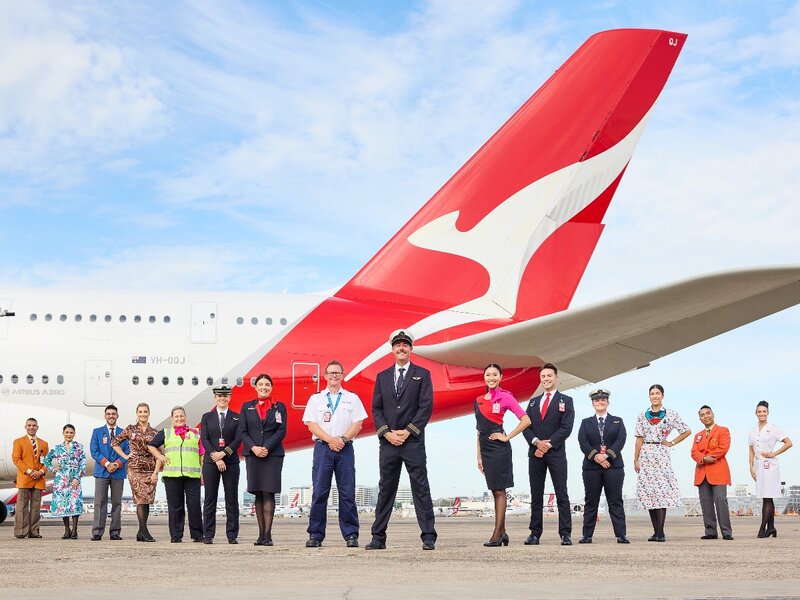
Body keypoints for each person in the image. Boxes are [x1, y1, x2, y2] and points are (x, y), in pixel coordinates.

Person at [367, 330, 437, 551]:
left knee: (420, 488)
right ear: (392, 349)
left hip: (412, 441)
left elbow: (426, 407)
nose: (401, 348)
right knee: (386, 489)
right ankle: (378, 537)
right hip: (388, 443)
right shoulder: (382, 376)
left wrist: (408, 431)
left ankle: (428, 536)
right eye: (397, 345)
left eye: (405, 345)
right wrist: (387, 433)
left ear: (411, 349)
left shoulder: (422, 374)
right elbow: (377, 409)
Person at [302, 360, 368, 548]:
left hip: (345, 448)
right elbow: (311, 424)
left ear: (343, 376)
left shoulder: (352, 398)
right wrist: (330, 440)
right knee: (319, 492)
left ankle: (351, 534)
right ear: (325, 376)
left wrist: (343, 440)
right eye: (331, 373)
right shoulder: (316, 399)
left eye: (337, 373)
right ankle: (315, 535)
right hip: (323, 448)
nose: (334, 376)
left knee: (347, 493)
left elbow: (358, 423)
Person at [475, 363, 531, 547]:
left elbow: (526, 420)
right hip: (485, 449)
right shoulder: (478, 400)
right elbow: (479, 430)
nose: (491, 378)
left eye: (494, 375)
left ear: (500, 378)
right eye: (488, 375)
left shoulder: (506, 397)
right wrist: (479, 455)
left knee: (500, 490)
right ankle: (503, 532)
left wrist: (507, 437)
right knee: (494, 490)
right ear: (484, 377)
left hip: (499, 449)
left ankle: (496, 535)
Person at [522, 362, 574, 545]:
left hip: (556, 453)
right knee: (536, 494)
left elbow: (566, 427)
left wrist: (548, 444)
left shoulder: (566, 401)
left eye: (549, 376)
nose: (546, 379)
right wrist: (537, 442)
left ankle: (565, 533)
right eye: (543, 376)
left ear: (556, 378)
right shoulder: (533, 402)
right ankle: (535, 533)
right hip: (535, 453)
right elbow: (526, 426)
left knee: (562, 494)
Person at [633, 384, 691, 542]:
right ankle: (655, 531)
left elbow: (686, 430)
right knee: (649, 493)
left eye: (657, 393)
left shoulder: (670, 414)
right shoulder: (642, 415)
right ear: (649, 396)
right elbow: (639, 439)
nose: (655, 396)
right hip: (646, 453)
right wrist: (636, 459)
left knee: (661, 492)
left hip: (661, 453)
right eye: (652, 393)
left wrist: (672, 442)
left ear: (662, 396)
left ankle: (660, 532)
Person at [239, 373, 287, 546]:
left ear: (271, 387)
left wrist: (266, 447)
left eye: (267, 384)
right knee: (258, 493)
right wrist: (254, 448)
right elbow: (242, 431)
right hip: (253, 455)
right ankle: (260, 535)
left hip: (272, 455)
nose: (264, 387)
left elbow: (281, 431)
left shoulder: (279, 407)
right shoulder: (247, 407)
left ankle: (268, 535)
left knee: (268, 492)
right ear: (256, 387)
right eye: (261, 384)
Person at [577, 389, 628, 544]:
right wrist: (597, 457)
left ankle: (621, 535)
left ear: (608, 402)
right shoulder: (586, 422)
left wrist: (606, 456)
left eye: (603, 400)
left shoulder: (617, 421)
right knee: (591, 501)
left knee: (615, 501)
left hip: (614, 467)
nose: (600, 402)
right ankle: (587, 535)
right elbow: (583, 442)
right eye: (597, 400)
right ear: (593, 403)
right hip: (591, 468)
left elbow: (621, 440)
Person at [148, 405, 204, 543]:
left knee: (194, 505)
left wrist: (202, 472)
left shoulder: (196, 433)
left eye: (181, 416)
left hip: (192, 475)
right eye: (176, 416)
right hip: (172, 475)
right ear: (172, 418)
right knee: (175, 507)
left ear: (185, 417)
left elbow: (202, 454)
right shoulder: (166, 432)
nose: (179, 418)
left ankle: (197, 534)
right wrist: (160, 456)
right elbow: (151, 445)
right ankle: (176, 535)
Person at [112, 402, 161, 542]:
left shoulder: (154, 432)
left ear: (149, 413)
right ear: (137, 413)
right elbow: (114, 443)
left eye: (145, 411)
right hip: (135, 468)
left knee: (147, 500)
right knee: (141, 498)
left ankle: (141, 532)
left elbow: (159, 454)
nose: (143, 414)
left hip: (150, 468)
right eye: (140, 412)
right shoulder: (130, 429)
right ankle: (144, 531)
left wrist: (156, 473)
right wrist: (125, 456)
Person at [200, 385, 241, 544]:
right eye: (219, 396)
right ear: (215, 398)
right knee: (210, 499)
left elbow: (238, 439)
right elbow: (205, 439)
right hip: (211, 462)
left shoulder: (237, 417)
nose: (222, 399)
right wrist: (216, 457)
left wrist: (224, 454)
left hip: (231, 462)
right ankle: (208, 534)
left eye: (225, 396)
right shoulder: (207, 417)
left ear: (229, 398)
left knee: (232, 499)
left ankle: (232, 535)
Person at [749, 400, 793, 538]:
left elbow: (788, 443)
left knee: (768, 497)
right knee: (765, 497)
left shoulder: (773, 428)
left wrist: (773, 454)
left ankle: (762, 529)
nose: (762, 413)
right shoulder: (753, 431)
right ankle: (772, 528)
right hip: (758, 465)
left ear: (768, 413)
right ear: (756, 413)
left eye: (764, 411)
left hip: (769, 466)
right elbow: (751, 449)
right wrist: (751, 467)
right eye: (759, 411)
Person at [690, 405, 733, 540]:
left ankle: (726, 532)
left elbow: (723, 448)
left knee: (721, 501)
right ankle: (710, 531)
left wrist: (708, 457)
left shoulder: (723, 430)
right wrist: (703, 459)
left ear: (713, 414)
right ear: (700, 419)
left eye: (707, 413)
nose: (705, 416)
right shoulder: (698, 435)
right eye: (702, 415)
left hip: (718, 471)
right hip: (702, 473)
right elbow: (694, 452)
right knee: (706, 503)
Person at [89, 404, 128, 541]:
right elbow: (94, 451)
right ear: (105, 416)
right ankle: (97, 532)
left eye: (113, 414)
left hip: (118, 472)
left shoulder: (124, 433)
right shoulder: (97, 432)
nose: (111, 416)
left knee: (117, 503)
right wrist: (106, 463)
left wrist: (116, 464)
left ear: (117, 416)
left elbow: (128, 451)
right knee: (100, 502)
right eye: (108, 414)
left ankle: (115, 532)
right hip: (102, 472)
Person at [43, 424, 87, 539]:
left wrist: (77, 478)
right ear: (63, 433)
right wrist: (53, 469)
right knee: (64, 504)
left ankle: (75, 530)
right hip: (61, 480)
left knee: (75, 503)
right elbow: (46, 460)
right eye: (67, 432)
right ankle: (67, 530)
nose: (69, 434)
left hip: (74, 479)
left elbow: (83, 463)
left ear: (74, 434)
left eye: (71, 432)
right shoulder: (57, 448)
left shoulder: (79, 447)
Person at [11, 418, 49, 539]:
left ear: (37, 427)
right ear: (25, 427)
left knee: (36, 507)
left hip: (39, 479)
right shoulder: (18, 442)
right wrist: (30, 471)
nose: (31, 427)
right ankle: (21, 531)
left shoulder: (44, 444)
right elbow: (16, 459)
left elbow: (47, 462)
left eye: (34, 425)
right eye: (29, 425)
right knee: (22, 506)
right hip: (25, 478)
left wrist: (41, 472)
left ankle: (34, 532)